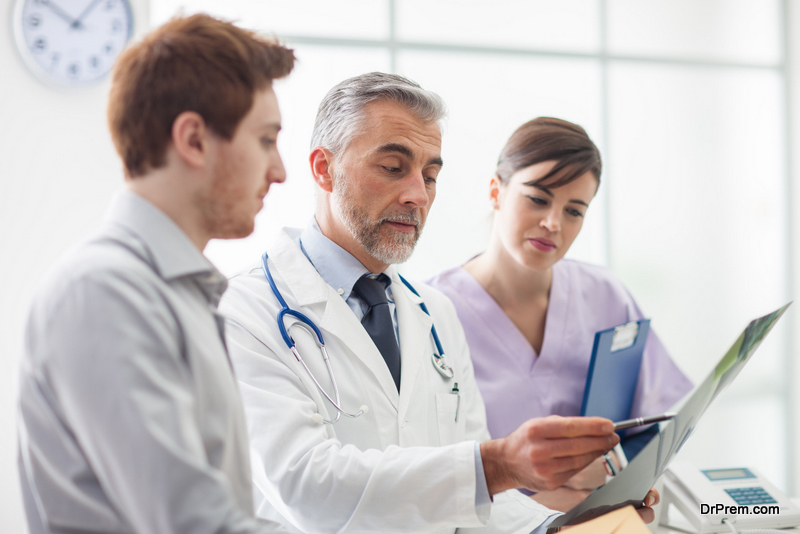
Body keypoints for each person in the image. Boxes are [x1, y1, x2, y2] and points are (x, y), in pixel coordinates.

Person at [220, 73, 657, 533]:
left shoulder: (433, 314)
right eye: (392, 167)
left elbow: (476, 500)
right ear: (323, 169)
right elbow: (306, 487)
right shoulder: (243, 315)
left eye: (430, 175)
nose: (418, 195)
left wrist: (559, 526)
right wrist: (498, 465)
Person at [16, 14, 295, 534]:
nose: (279, 171)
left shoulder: (178, 293)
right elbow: (193, 523)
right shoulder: (102, 292)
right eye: (265, 140)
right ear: (192, 139)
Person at [427, 117, 692, 511]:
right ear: (496, 191)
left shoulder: (605, 295)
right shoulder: (432, 311)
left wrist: (611, 467)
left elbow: (662, 418)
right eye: (538, 199)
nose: (553, 223)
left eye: (574, 211)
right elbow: (424, 466)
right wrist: (537, 506)